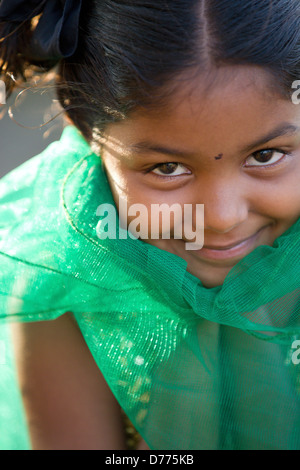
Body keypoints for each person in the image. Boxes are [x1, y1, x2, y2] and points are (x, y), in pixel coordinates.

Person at [0, 0, 299, 450]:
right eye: (166, 168)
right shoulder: (62, 284)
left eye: (265, 156)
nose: (221, 218)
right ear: (87, 133)